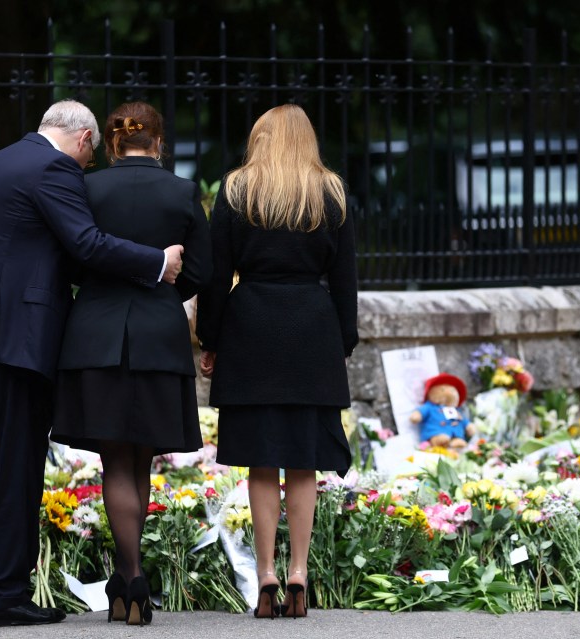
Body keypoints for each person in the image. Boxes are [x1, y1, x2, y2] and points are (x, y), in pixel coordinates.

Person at [0, 99, 184, 627]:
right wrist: (157, 261)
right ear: (86, 140)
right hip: (15, 338)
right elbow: (85, 244)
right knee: (16, 464)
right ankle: (5, 595)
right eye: (89, 160)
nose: (86, 170)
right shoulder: (55, 168)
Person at [49, 101, 211, 626]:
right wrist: (165, 288)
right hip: (159, 335)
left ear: (113, 144)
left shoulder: (87, 188)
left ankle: (130, 575)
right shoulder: (183, 192)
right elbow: (201, 273)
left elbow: (71, 259)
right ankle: (131, 578)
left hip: (96, 332)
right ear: (159, 143)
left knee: (115, 460)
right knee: (140, 457)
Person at [196, 104, 358, 619]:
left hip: (251, 331)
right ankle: (298, 572)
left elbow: (217, 276)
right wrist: (342, 341)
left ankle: (265, 572)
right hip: (312, 330)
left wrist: (211, 339)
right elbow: (346, 280)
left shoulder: (237, 190)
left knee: (261, 461)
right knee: (303, 461)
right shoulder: (329, 192)